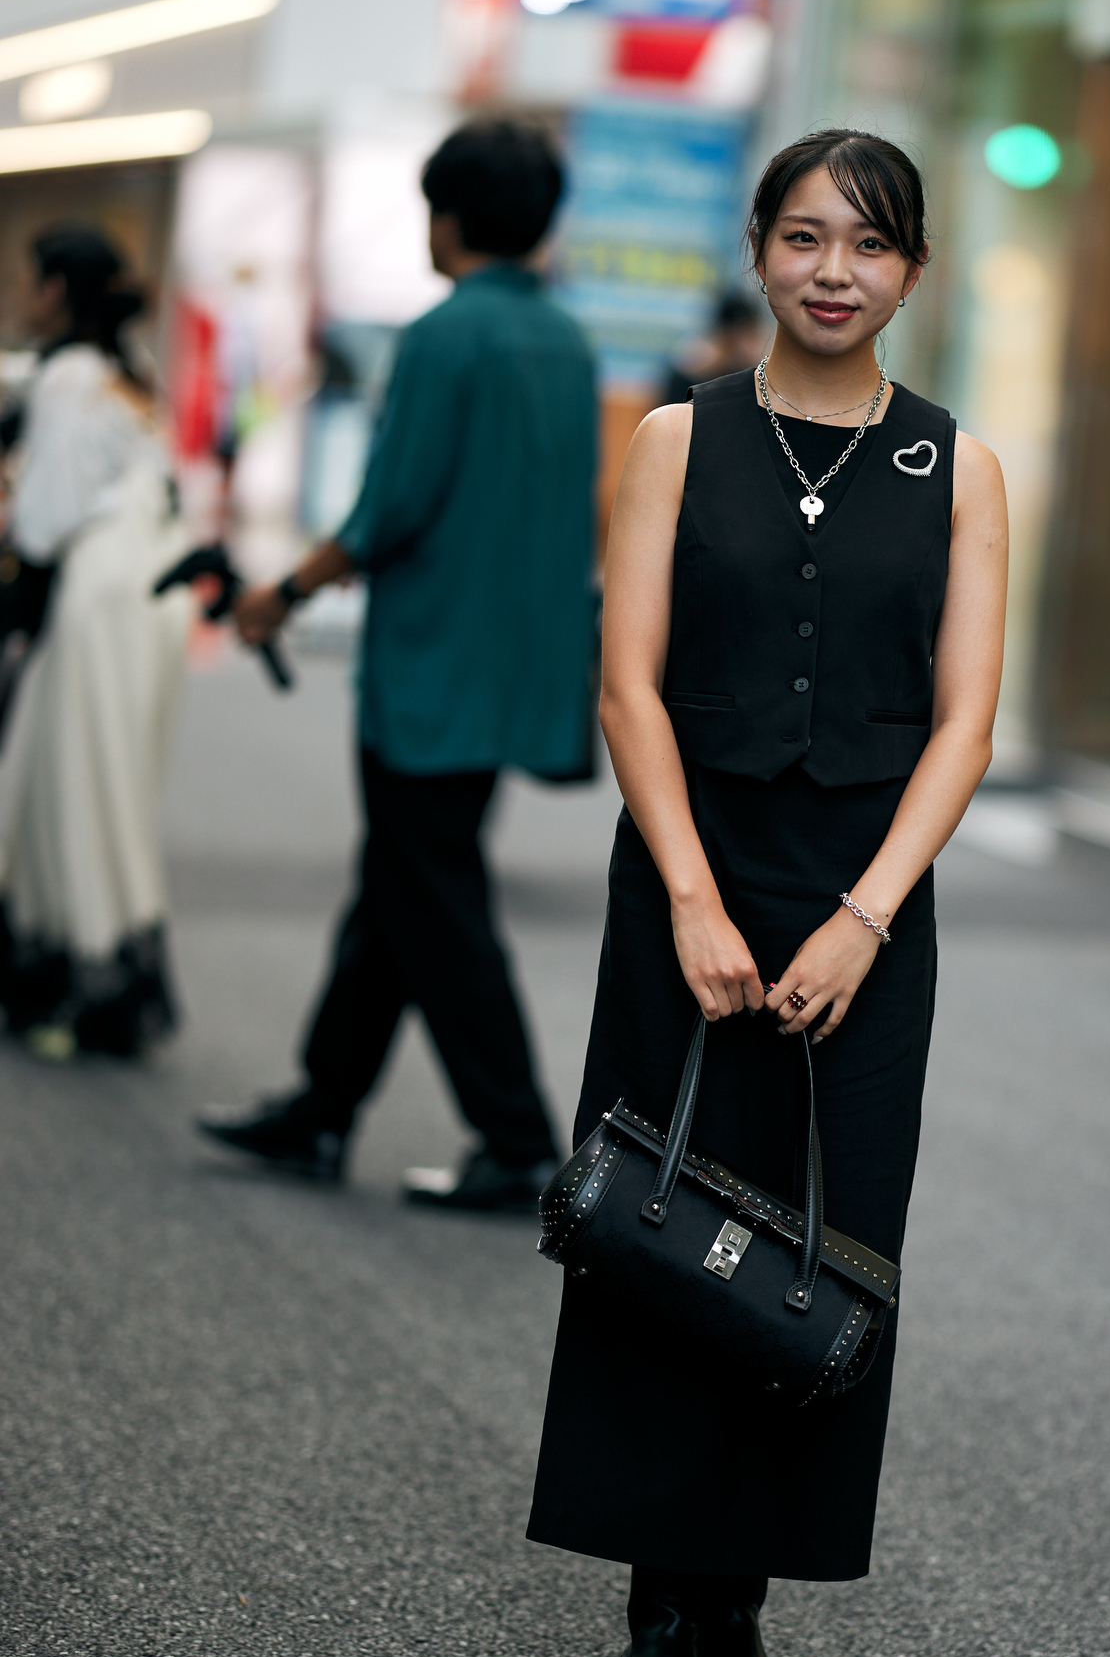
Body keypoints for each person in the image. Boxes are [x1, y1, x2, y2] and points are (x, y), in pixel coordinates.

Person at [526, 128, 1007, 1657]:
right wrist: (688, 896)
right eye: (801, 236)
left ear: (910, 274)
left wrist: (867, 914)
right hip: (691, 879)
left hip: (865, 905)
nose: (830, 270)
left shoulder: (960, 466)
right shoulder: (679, 438)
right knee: (662, 1233)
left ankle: (745, 1621)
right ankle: (658, 1625)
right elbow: (626, 686)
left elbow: (964, 724)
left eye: (866, 246)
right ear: (756, 249)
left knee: (821, 1250)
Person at [196, 119, 596, 1213]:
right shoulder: (567, 341)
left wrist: (284, 590)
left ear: (450, 217)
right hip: (517, 665)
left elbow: (391, 507)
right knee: (402, 885)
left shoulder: (445, 335)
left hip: (432, 667)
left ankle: (516, 1138)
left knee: (434, 896)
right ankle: (320, 1108)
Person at [0, 224, 192, 1058]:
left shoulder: (68, 378)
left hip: (95, 588)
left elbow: (46, 518)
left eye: (27, 280)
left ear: (53, 292)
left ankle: (78, 974)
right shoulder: (123, 375)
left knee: (67, 780)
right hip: (150, 590)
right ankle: (112, 967)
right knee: (108, 782)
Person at [657, 286, 771, 405]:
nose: (754, 345)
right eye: (750, 336)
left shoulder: (748, 373)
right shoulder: (689, 371)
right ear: (729, 336)